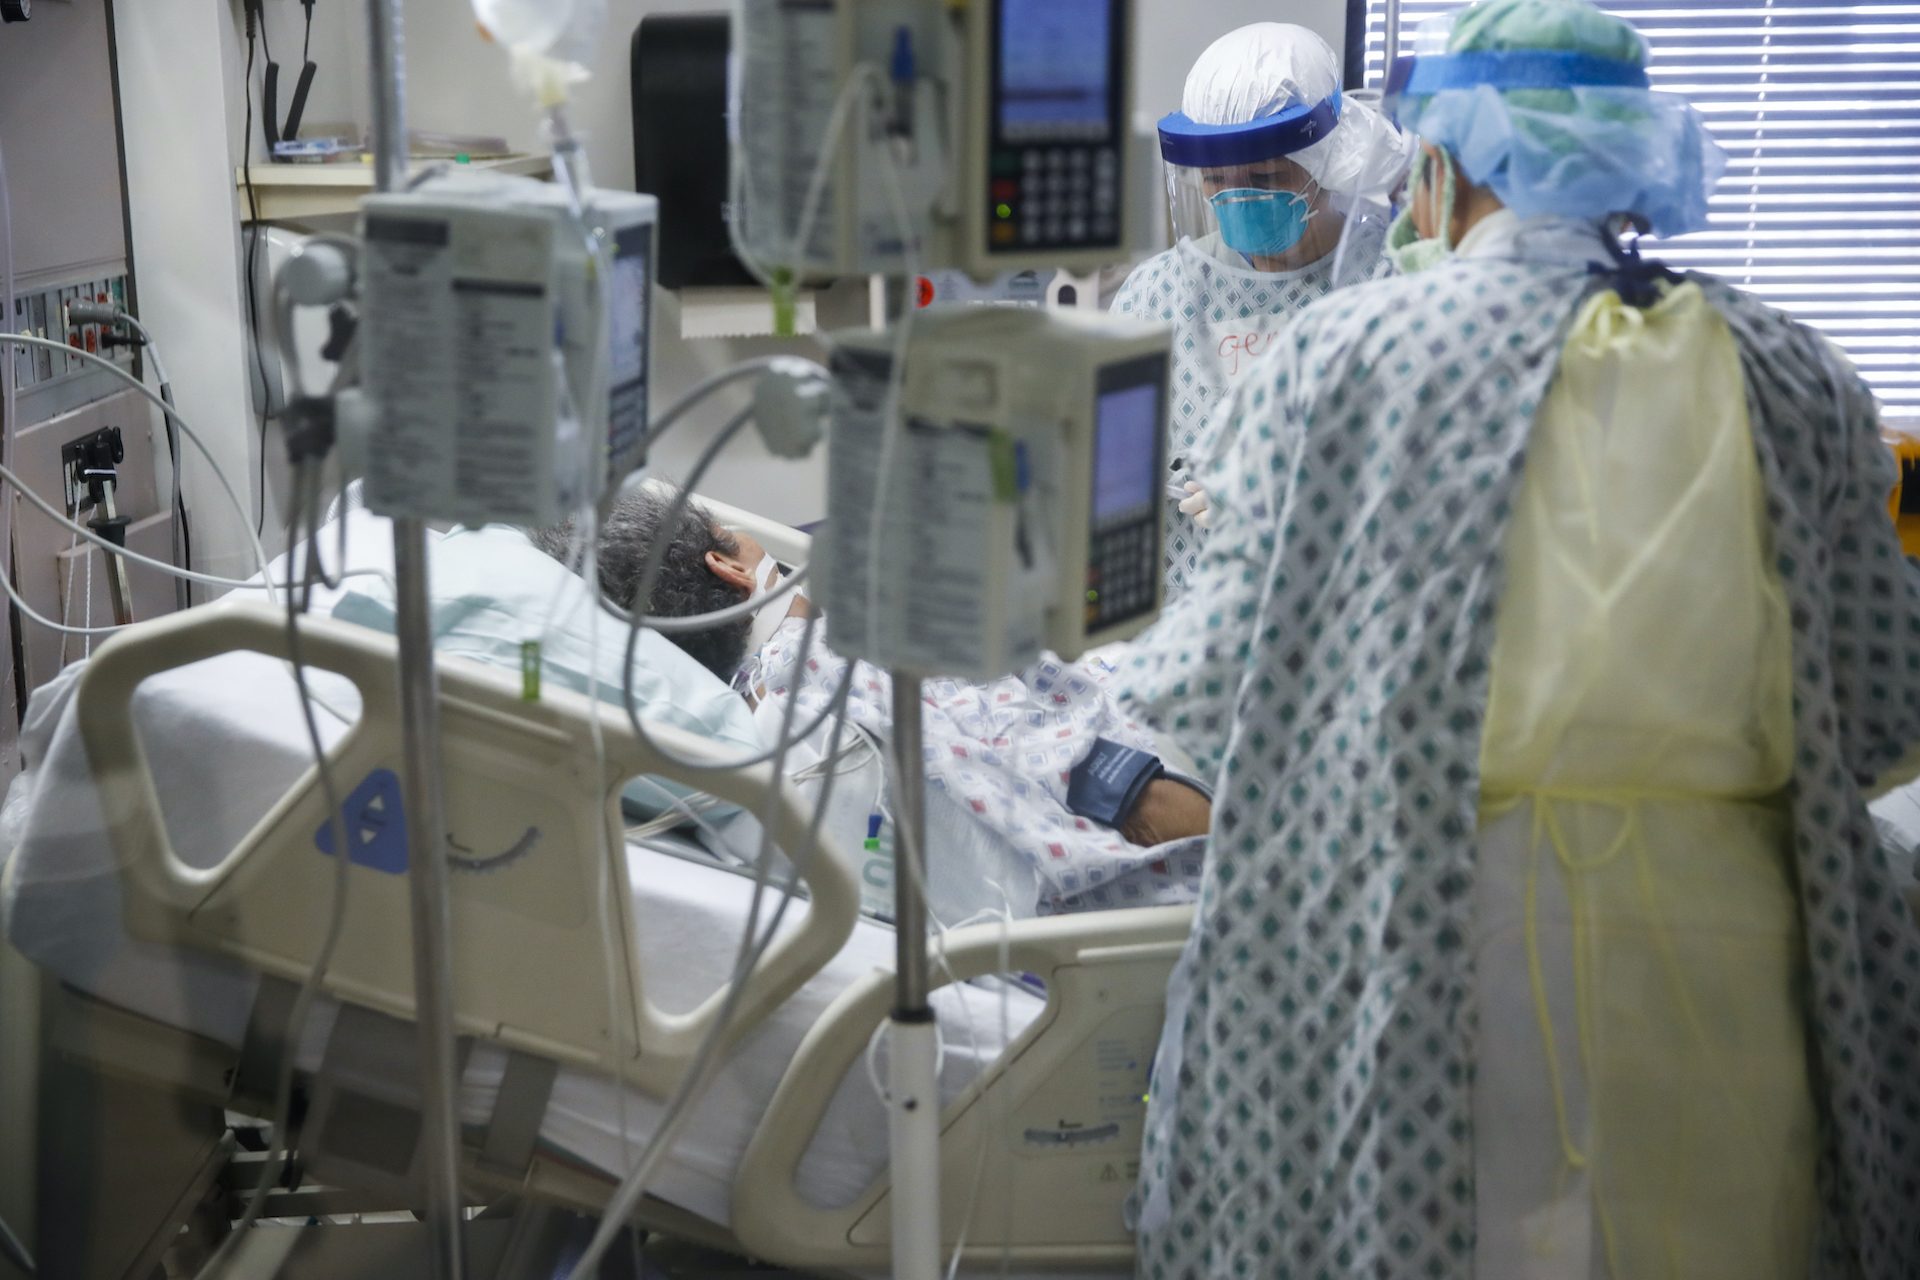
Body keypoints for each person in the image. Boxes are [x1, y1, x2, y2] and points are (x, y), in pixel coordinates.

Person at [1108, 0, 1920, 1275]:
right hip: (1734, 963)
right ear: (1635, 157)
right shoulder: (1795, 369)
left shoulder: (1347, 352)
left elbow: (1212, 680)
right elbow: (1883, 719)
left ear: (1438, 162)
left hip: (1437, 939)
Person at [530, 487, 1213, 914]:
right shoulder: (852, 661)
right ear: (731, 568)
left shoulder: (754, 705)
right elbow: (1133, 797)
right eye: (738, 539)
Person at [1111, 23, 1414, 600]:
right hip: (1184, 620)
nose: (1236, 195)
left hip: (1341, 614)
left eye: (1265, 177)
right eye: (1216, 179)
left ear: (1324, 161)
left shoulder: (1391, 284)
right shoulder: (1156, 298)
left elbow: (1425, 472)